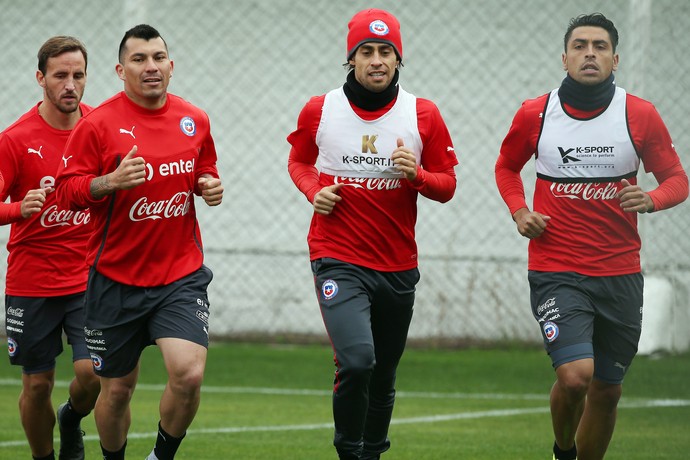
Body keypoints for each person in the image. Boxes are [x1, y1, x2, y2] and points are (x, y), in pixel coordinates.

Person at [495, 12, 688, 460]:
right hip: (556, 269)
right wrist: (520, 211)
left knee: (606, 390)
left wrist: (652, 199)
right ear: (564, 58)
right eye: (580, 46)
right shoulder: (536, 113)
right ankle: (564, 450)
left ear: (614, 58)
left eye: (599, 46)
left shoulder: (639, 114)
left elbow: (677, 178)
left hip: (620, 273)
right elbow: (506, 167)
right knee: (577, 376)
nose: (589, 54)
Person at [287, 9, 458, 460]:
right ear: (352, 59)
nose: (377, 60)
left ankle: (372, 452)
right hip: (336, 256)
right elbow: (299, 162)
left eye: (386, 51)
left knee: (382, 375)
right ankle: (348, 451)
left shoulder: (422, 114)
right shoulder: (320, 109)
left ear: (398, 59)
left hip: (398, 264)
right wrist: (314, 191)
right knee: (358, 360)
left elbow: (448, 185)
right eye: (367, 51)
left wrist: (417, 176)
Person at [54, 24, 223, 460]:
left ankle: (161, 456)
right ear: (120, 69)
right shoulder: (97, 124)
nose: (151, 67)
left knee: (188, 375)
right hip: (115, 279)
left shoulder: (195, 119)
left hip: (179, 276)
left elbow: (206, 168)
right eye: (139, 59)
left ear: (171, 65)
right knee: (116, 391)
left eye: (158, 58)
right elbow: (66, 191)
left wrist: (209, 185)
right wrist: (108, 182)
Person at [0, 36, 100, 460]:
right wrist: (21, 207)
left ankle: (73, 417)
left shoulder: (100, 128)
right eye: (60, 76)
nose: (70, 85)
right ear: (41, 78)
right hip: (33, 280)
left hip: (90, 278)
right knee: (37, 384)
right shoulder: (15, 139)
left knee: (94, 373)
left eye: (78, 75)